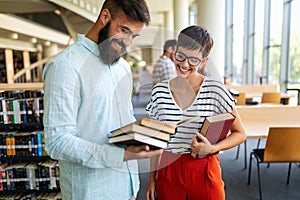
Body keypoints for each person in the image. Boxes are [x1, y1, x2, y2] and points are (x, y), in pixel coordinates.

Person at [42, 0, 162, 199]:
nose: (127, 42)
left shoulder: (122, 67)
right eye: (124, 30)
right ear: (104, 17)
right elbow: (58, 142)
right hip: (94, 192)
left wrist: (144, 136)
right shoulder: (65, 67)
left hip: (129, 186)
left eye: (133, 35)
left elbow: (125, 118)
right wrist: (120, 155)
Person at [145, 25, 247, 200]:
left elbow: (240, 133)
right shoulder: (159, 92)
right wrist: (151, 180)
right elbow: (156, 141)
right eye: (181, 56)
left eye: (193, 60)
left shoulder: (216, 90)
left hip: (205, 168)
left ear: (204, 61)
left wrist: (213, 148)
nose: (184, 64)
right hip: (169, 169)